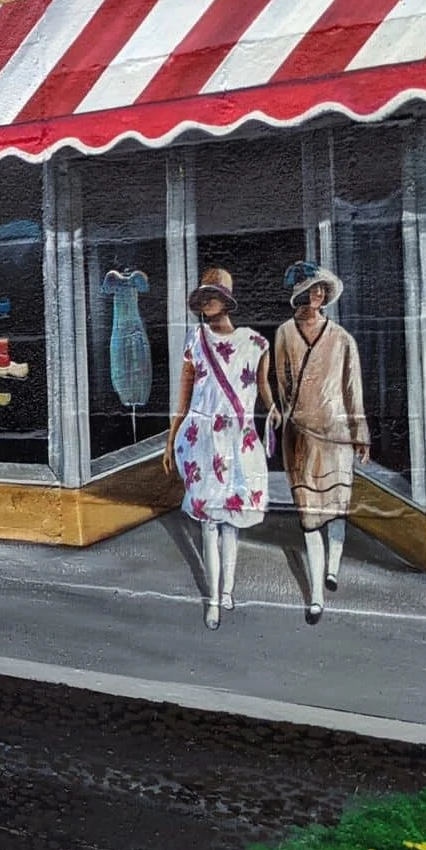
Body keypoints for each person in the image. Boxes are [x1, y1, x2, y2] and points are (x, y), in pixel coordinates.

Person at [164, 269, 272, 630]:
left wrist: (274, 410)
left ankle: (227, 589)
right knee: (209, 523)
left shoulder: (256, 343)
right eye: (203, 298)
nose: (207, 303)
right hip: (203, 439)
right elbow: (183, 395)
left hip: (238, 439)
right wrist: (170, 438)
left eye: (213, 296)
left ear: (226, 300)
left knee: (231, 522)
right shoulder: (195, 341)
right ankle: (212, 598)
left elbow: (263, 388)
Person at [271, 263, 366, 622]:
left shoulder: (342, 338)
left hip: (337, 435)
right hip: (301, 437)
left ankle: (332, 570)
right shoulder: (284, 334)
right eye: (311, 289)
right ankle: (315, 597)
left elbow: (353, 389)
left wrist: (360, 434)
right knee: (310, 517)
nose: (318, 295)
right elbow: (282, 382)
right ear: (298, 294)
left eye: (321, 289)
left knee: (337, 507)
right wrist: (289, 414)